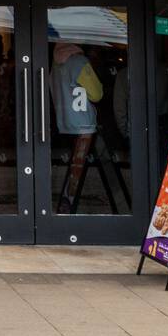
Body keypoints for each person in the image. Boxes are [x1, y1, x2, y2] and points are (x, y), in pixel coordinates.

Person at [50, 42, 103, 212]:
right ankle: (67, 207)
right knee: (77, 171)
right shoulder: (79, 62)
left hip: (64, 122)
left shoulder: (55, 66)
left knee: (71, 168)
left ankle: (65, 204)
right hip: (83, 124)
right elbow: (96, 94)